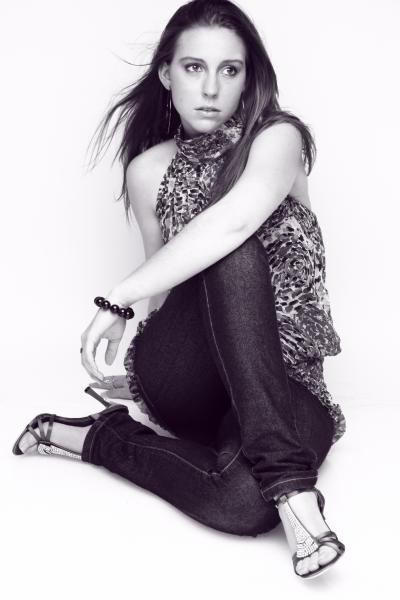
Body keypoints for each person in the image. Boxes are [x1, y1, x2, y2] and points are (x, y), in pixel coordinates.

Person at [12, 0, 346, 580]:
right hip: (194, 381)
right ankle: (293, 488)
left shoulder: (279, 139)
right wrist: (152, 367)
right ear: (167, 74)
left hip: (288, 378)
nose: (211, 88)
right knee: (227, 250)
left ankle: (101, 438)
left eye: (229, 70)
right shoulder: (148, 171)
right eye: (194, 68)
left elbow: (235, 221)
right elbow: (165, 290)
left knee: (244, 505)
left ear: (248, 78)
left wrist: (116, 297)